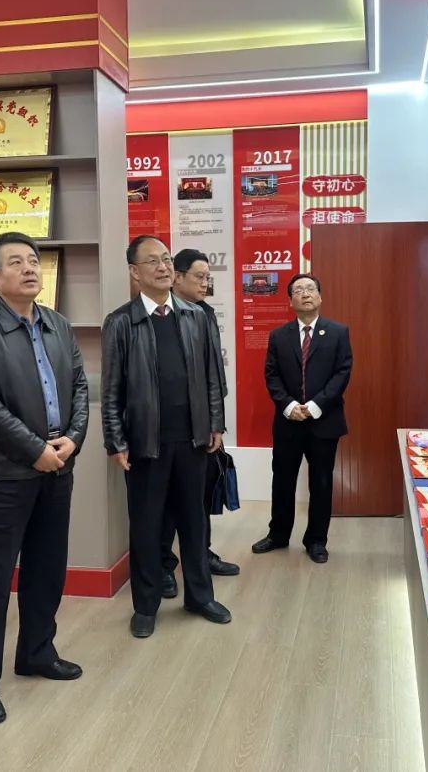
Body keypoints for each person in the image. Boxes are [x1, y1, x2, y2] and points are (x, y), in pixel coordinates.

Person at [0, 232, 89, 725]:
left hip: (59, 463)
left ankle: (36, 652)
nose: (30, 268)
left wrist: (72, 439)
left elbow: (79, 386)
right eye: (16, 262)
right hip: (5, 473)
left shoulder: (58, 323)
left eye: (34, 260)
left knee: (47, 569)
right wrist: (35, 451)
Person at [102, 235, 231, 637]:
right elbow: (111, 389)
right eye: (152, 261)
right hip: (146, 443)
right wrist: (115, 440)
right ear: (134, 272)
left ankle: (200, 596)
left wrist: (215, 422)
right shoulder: (121, 322)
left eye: (167, 259)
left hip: (193, 439)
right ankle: (146, 606)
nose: (162, 267)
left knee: (194, 522)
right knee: (146, 527)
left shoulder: (196, 316)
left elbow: (212, 377)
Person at [252, 273, 352, 563]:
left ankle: (317, 540)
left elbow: (343, 372)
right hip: (288, 421)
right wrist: (289, 405)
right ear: (290, 301)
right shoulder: (278, 336)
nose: (305, 293)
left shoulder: (338, 332)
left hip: (324, 420)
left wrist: (317, 405)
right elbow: (271, 375)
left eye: (310, 289)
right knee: (282, 480)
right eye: (298, 290)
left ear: (320, 297)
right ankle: (278, 534)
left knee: (321, 482)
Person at [159, 249, 239, 600]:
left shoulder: (204, 313)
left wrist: (216, 422)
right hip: (168, 428)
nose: (206, 283)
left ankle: (200, 555)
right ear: (177, 277)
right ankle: (164, 565)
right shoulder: (158, 314)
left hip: (202, 424)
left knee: (199, 498)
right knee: (165, 502)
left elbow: (213, 373)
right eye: (199, 276)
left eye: (208, 277)